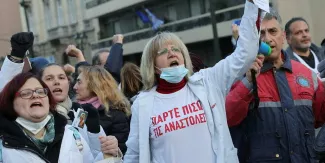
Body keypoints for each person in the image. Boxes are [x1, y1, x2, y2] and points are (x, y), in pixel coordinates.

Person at [124, 0, 260, 162]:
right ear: (152, 66)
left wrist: (253, 5)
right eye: (163, 51)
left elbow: (245, 54)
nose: (172, 53)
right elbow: (134, 155)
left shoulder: (208, 81)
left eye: (176, 49)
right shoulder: (142, 104)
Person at [226, 10, 325, 162]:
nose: (267, 39)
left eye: (273, 31)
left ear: (284, 37)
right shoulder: (242, 75)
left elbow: (320, 117)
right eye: (261, 33)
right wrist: (247, 83)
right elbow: (229, 118)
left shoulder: (306, 73)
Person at [0, 72, 111, 162]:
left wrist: (109, 156)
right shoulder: (3, 144)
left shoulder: (72, 134)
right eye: (26, 93)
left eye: (40, 91)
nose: (35, 95)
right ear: (10, 103)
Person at [74, 66, 130, 154]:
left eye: (79, 82)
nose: (74, 87)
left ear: (94, 85)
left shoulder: (116, 114)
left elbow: (122, 151)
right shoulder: (78, 111)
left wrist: (114, 147)